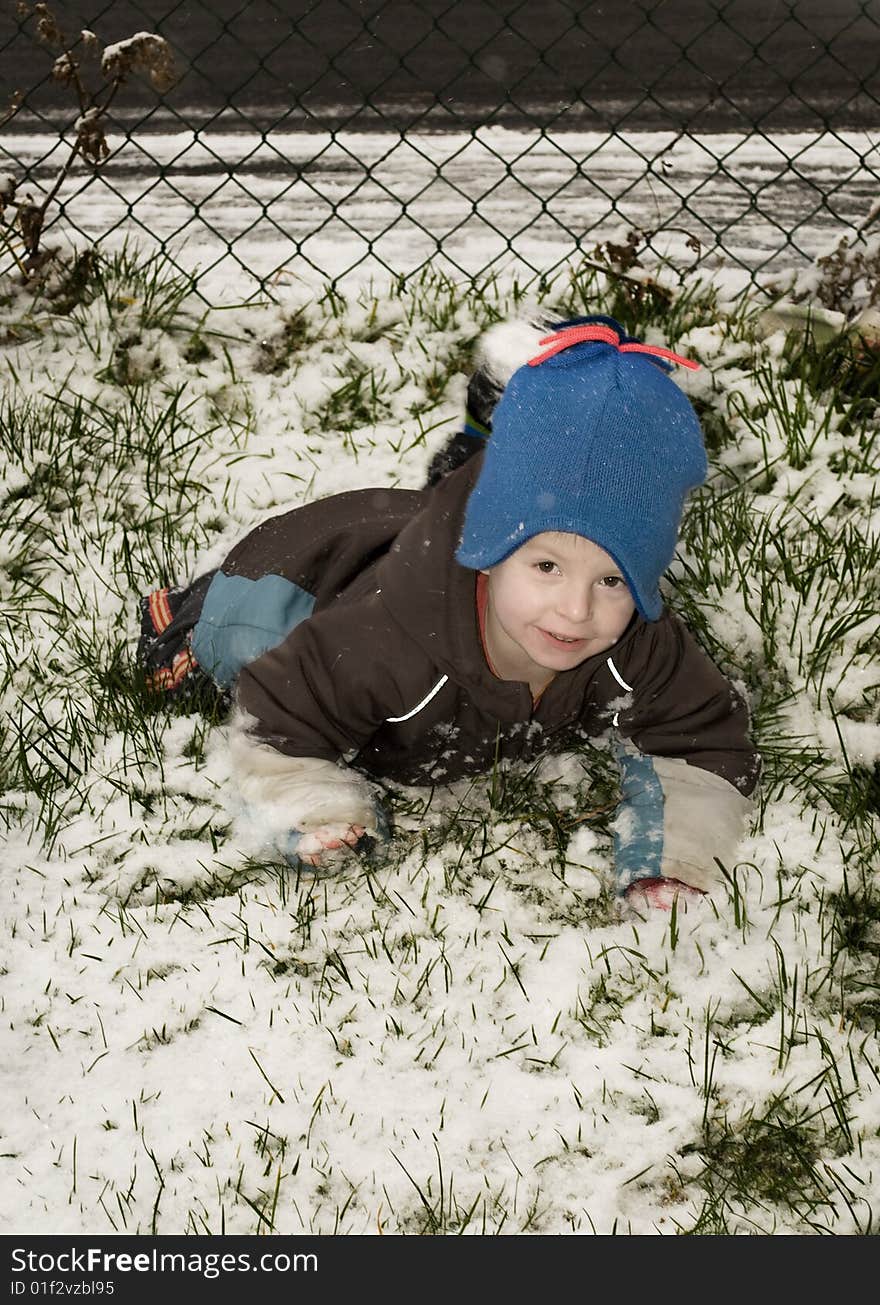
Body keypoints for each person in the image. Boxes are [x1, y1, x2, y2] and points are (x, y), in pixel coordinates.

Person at [138, 314, 760, 911]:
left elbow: (701, 740)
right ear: (491, 552)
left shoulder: (640, 642)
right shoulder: (384, 641)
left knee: (461, 517)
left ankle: (478, 456)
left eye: (613, 579)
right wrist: (317, 810)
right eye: (546, 567)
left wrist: (675, 855)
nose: (575, 610)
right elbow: (276, 719)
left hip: (427, 526)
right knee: (231, 641)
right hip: (295, 576)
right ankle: (193, 612)